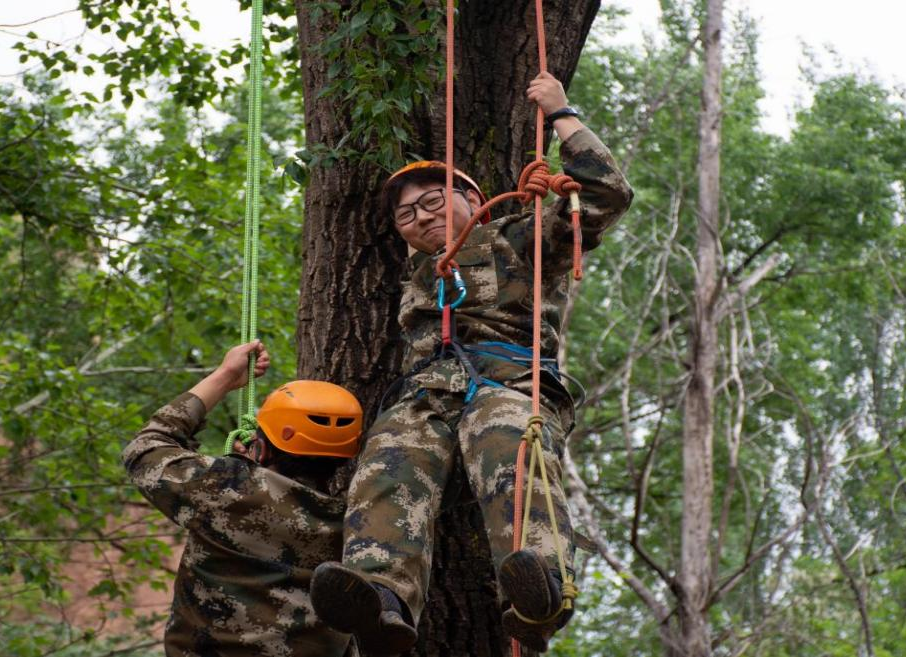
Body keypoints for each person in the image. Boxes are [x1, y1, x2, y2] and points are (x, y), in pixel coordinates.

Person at [310, 71, 633, 654]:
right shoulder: (419, 276)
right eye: (408, 215)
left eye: (435, 201)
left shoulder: (519, 237)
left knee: (507, 438)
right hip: (430, 391)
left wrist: (562, 114)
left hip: (509, 379)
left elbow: (607, 195)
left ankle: (541, 588)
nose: (423, 217)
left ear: (474, 202)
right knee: (388, 459)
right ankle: (382, 599)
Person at [122, 340, 364, 657]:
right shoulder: (358, 526)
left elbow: (145, 449)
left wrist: (225, 376)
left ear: (261, 448)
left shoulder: (225, 489)